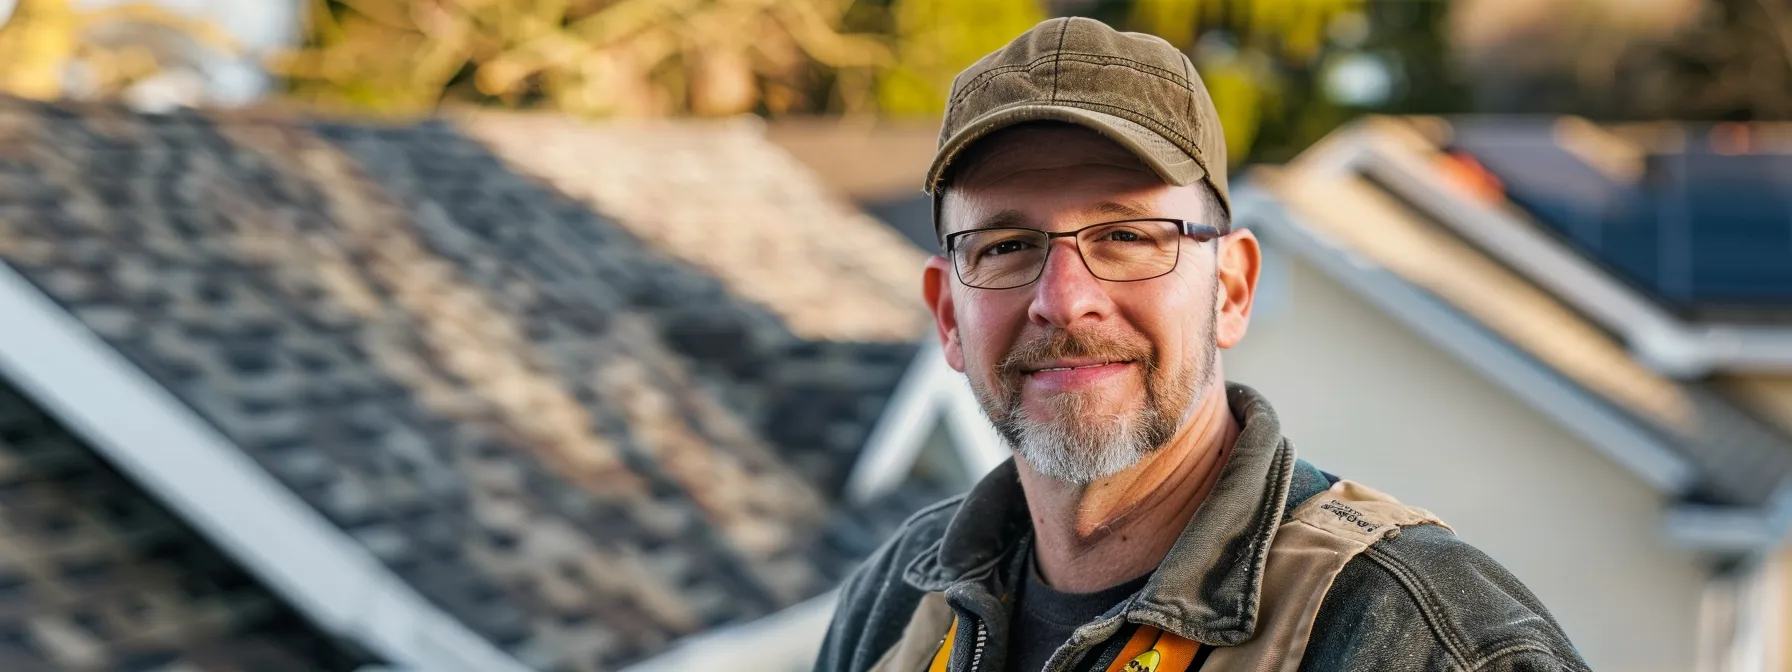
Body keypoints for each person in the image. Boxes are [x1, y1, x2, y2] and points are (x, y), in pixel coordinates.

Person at [814, 16, 1589, 672]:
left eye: (1125, 234)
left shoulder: (1420, 638)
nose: (1064, 299)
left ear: (1233, 287)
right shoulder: (900, 603)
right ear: (948, 315)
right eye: (1006, 245)